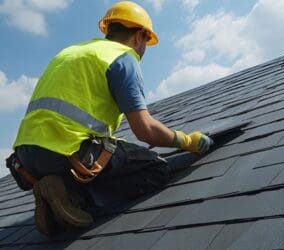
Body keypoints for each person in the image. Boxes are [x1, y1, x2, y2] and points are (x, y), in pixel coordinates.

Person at [9, 1, 213, 236]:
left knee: (116, 153)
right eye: (146, 42)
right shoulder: (122, 58)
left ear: (109, 30)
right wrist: (186, 141)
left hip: (26, 159)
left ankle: (56, 206)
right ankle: (70, 194)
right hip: (63, 152)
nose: (144, 49)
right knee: (154, 168)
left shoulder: (72, 52)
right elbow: (145, 130)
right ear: (139, 36)